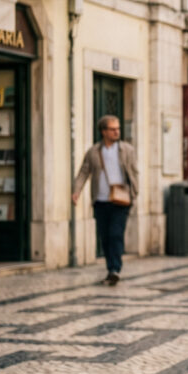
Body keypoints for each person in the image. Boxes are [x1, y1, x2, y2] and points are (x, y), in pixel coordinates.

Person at [73, 115, 140, 286]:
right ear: (104, 131)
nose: (117, 131)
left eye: (118, 128)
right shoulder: (94, 152)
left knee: (115, 234)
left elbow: (134, 172)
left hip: (121, 201)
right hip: (101, 201)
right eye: (112, 129)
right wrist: (76, 191)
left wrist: (135, 191)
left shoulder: (127, 150)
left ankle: (115, 269)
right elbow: (83, 173)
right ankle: (111, 269)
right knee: (105, 237)